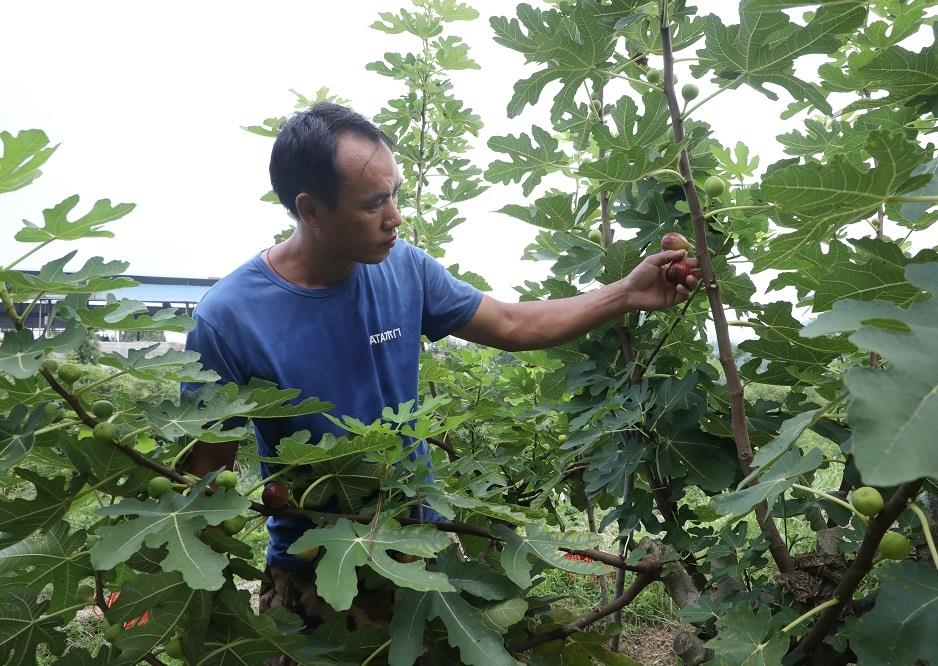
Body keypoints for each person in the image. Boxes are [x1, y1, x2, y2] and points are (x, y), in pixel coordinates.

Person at [183, 102, 699, 641]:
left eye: (396, 194)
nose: (396, 217)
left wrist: (628, 293)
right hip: (317, 567)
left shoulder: (405, 268)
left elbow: (512, 324)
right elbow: (204, 480)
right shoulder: (229, 318)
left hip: (422, 543)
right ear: (310, 210)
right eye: (374, 203)